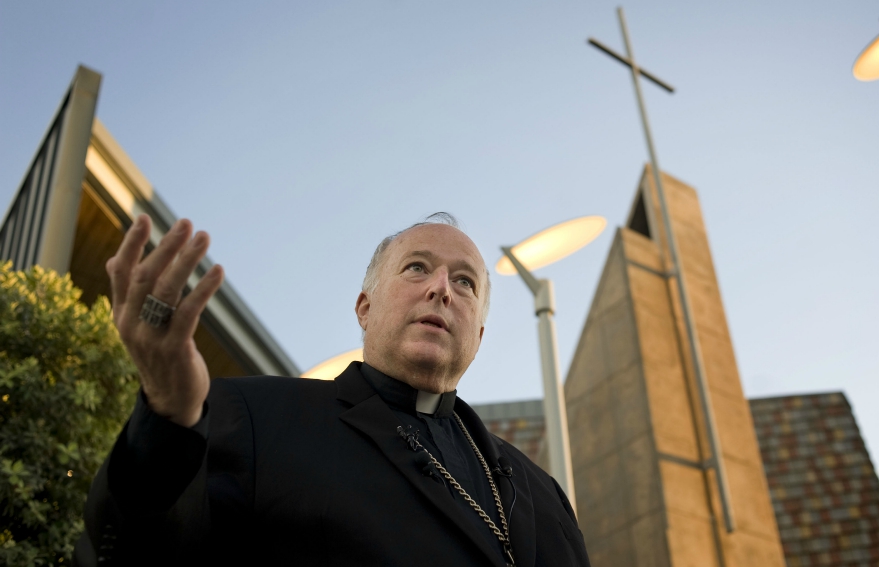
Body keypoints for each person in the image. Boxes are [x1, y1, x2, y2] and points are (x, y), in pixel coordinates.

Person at [73, 212, 590, 567]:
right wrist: (166, 420)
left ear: (477, 334)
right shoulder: (254, 419)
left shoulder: (544, 494)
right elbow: (129, 552)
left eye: (465, 282)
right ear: (364, 308)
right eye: (417, 267)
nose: (441, 289)